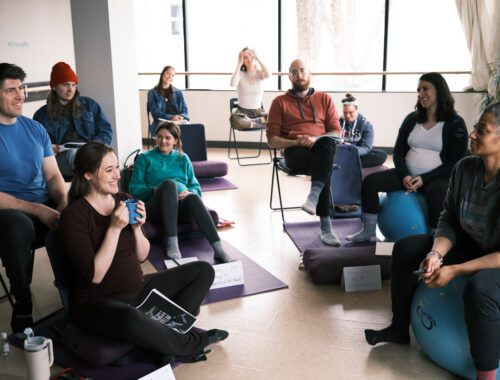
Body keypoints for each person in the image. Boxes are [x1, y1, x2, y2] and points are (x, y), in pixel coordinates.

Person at [364, 103, 500, 380]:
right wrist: (437, 255)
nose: (472, 134)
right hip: (474, 244)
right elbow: (449, 219)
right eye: (475, 127)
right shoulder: (464, 168)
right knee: (407, 248)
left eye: (481, 130)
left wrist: (455, 270)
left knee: (482, 287)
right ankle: (399, 327)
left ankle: (486, 374)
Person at [59, 142, 228, 362]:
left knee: (203, 271)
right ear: (89, 174)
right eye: (108, 170)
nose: (117, 176)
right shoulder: (74, 216)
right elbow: (96, 275)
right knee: (130, 317)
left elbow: (141, 256)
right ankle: (190, 343)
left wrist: (137, 228)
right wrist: (114, 228)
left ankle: (163, 340)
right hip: (99, 303)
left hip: (138, 290)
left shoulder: (124, 200)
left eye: (117, 168)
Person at [347, 72, 469, 242]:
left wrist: (424, 179)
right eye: (418, 90)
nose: (420, 94)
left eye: (425, 89)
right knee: (370, 182)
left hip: (437, 178)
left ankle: (435, 238)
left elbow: (456, 162)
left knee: (438, 191)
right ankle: (368, 231)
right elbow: (398, 151)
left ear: (439, 91)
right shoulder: (412, 119)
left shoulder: (455, 122)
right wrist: (404, 175)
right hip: (407, 175)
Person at [0, 63, 67, 333]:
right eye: (11, 90)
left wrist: (63, 202)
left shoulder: (35, 129)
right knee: (18, 225)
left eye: (22, 88)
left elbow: (53, 177)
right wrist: (39, 210)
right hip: (8, 215)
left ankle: (79, 289)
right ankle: (23, 300)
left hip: (44, 209)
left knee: (82, 206)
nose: (21, 96)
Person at [129, 121, 233, 263]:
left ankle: (218, 248)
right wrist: (155, 191)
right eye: (159, 137)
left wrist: (190, 192)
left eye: (167, 138)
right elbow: (135, 188)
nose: (162, 141)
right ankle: (172, 240)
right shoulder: (145, 158)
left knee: (193, 198)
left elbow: (195, 186)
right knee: (169, 184)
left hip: (181, 207)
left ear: (175, 140)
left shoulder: (183, 158)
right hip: (156, 207)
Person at [266, 59, 342, 247]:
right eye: (294, 72)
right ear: (289, 77)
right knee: (324, 166)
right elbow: (272, 140)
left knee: (326, 144)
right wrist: (297, 141)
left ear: (309, 74)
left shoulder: (324, 99)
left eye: (302, 70)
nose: (299, 75)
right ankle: (326, 227)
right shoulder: (279, 102)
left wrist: (315, 139)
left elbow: (336, 132)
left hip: (321, 147)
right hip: (295, 152)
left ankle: (313, 197)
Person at [33, 62, 113, 178]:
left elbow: (106, 131)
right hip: (62, 158)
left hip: (90, 153)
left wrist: (93, 146)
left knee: (109, 157)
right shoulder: (41, 115)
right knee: (74, 155)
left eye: (73, 85)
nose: (70, 89)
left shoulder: (89, 105)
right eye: (65, 85)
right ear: (54, 87)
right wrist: (49, 147)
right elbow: (36, 145)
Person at [339, 93, 387, 168]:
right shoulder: (337, 122)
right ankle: (350, 163)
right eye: (345, 113)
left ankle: (345, 163)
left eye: (351, 112)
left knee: (381, 155)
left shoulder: (366, 125)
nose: (348, 116)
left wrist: (352, 149)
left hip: (357, 153)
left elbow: (366, 148)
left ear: (357, 109)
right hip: (341, 152)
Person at [229, 47, 270, 129]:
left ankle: (251, 123)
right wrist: (239, 62)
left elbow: (268, 74)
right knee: (233, 119)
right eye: (245, 57)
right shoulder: (240, 74)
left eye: (250, 55)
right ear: (242, 61)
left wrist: (258, 58)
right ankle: (257, 123)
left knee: (276, 117)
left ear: (254, 56)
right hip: (242, 113)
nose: (248, 58)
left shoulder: (260, 73)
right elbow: (233, 84)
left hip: (258, 112)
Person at [147, 66, 189, 136]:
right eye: (168, 73)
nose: (170, 77)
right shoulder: (152, 93)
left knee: (191, 129)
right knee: (171, 131)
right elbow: (155, 113)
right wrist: (171, 117)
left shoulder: (178, 92)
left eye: (173, 75)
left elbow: (185, 111)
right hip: (161, 122)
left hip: (178, 122)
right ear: (162, 74)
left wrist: (181, 117)